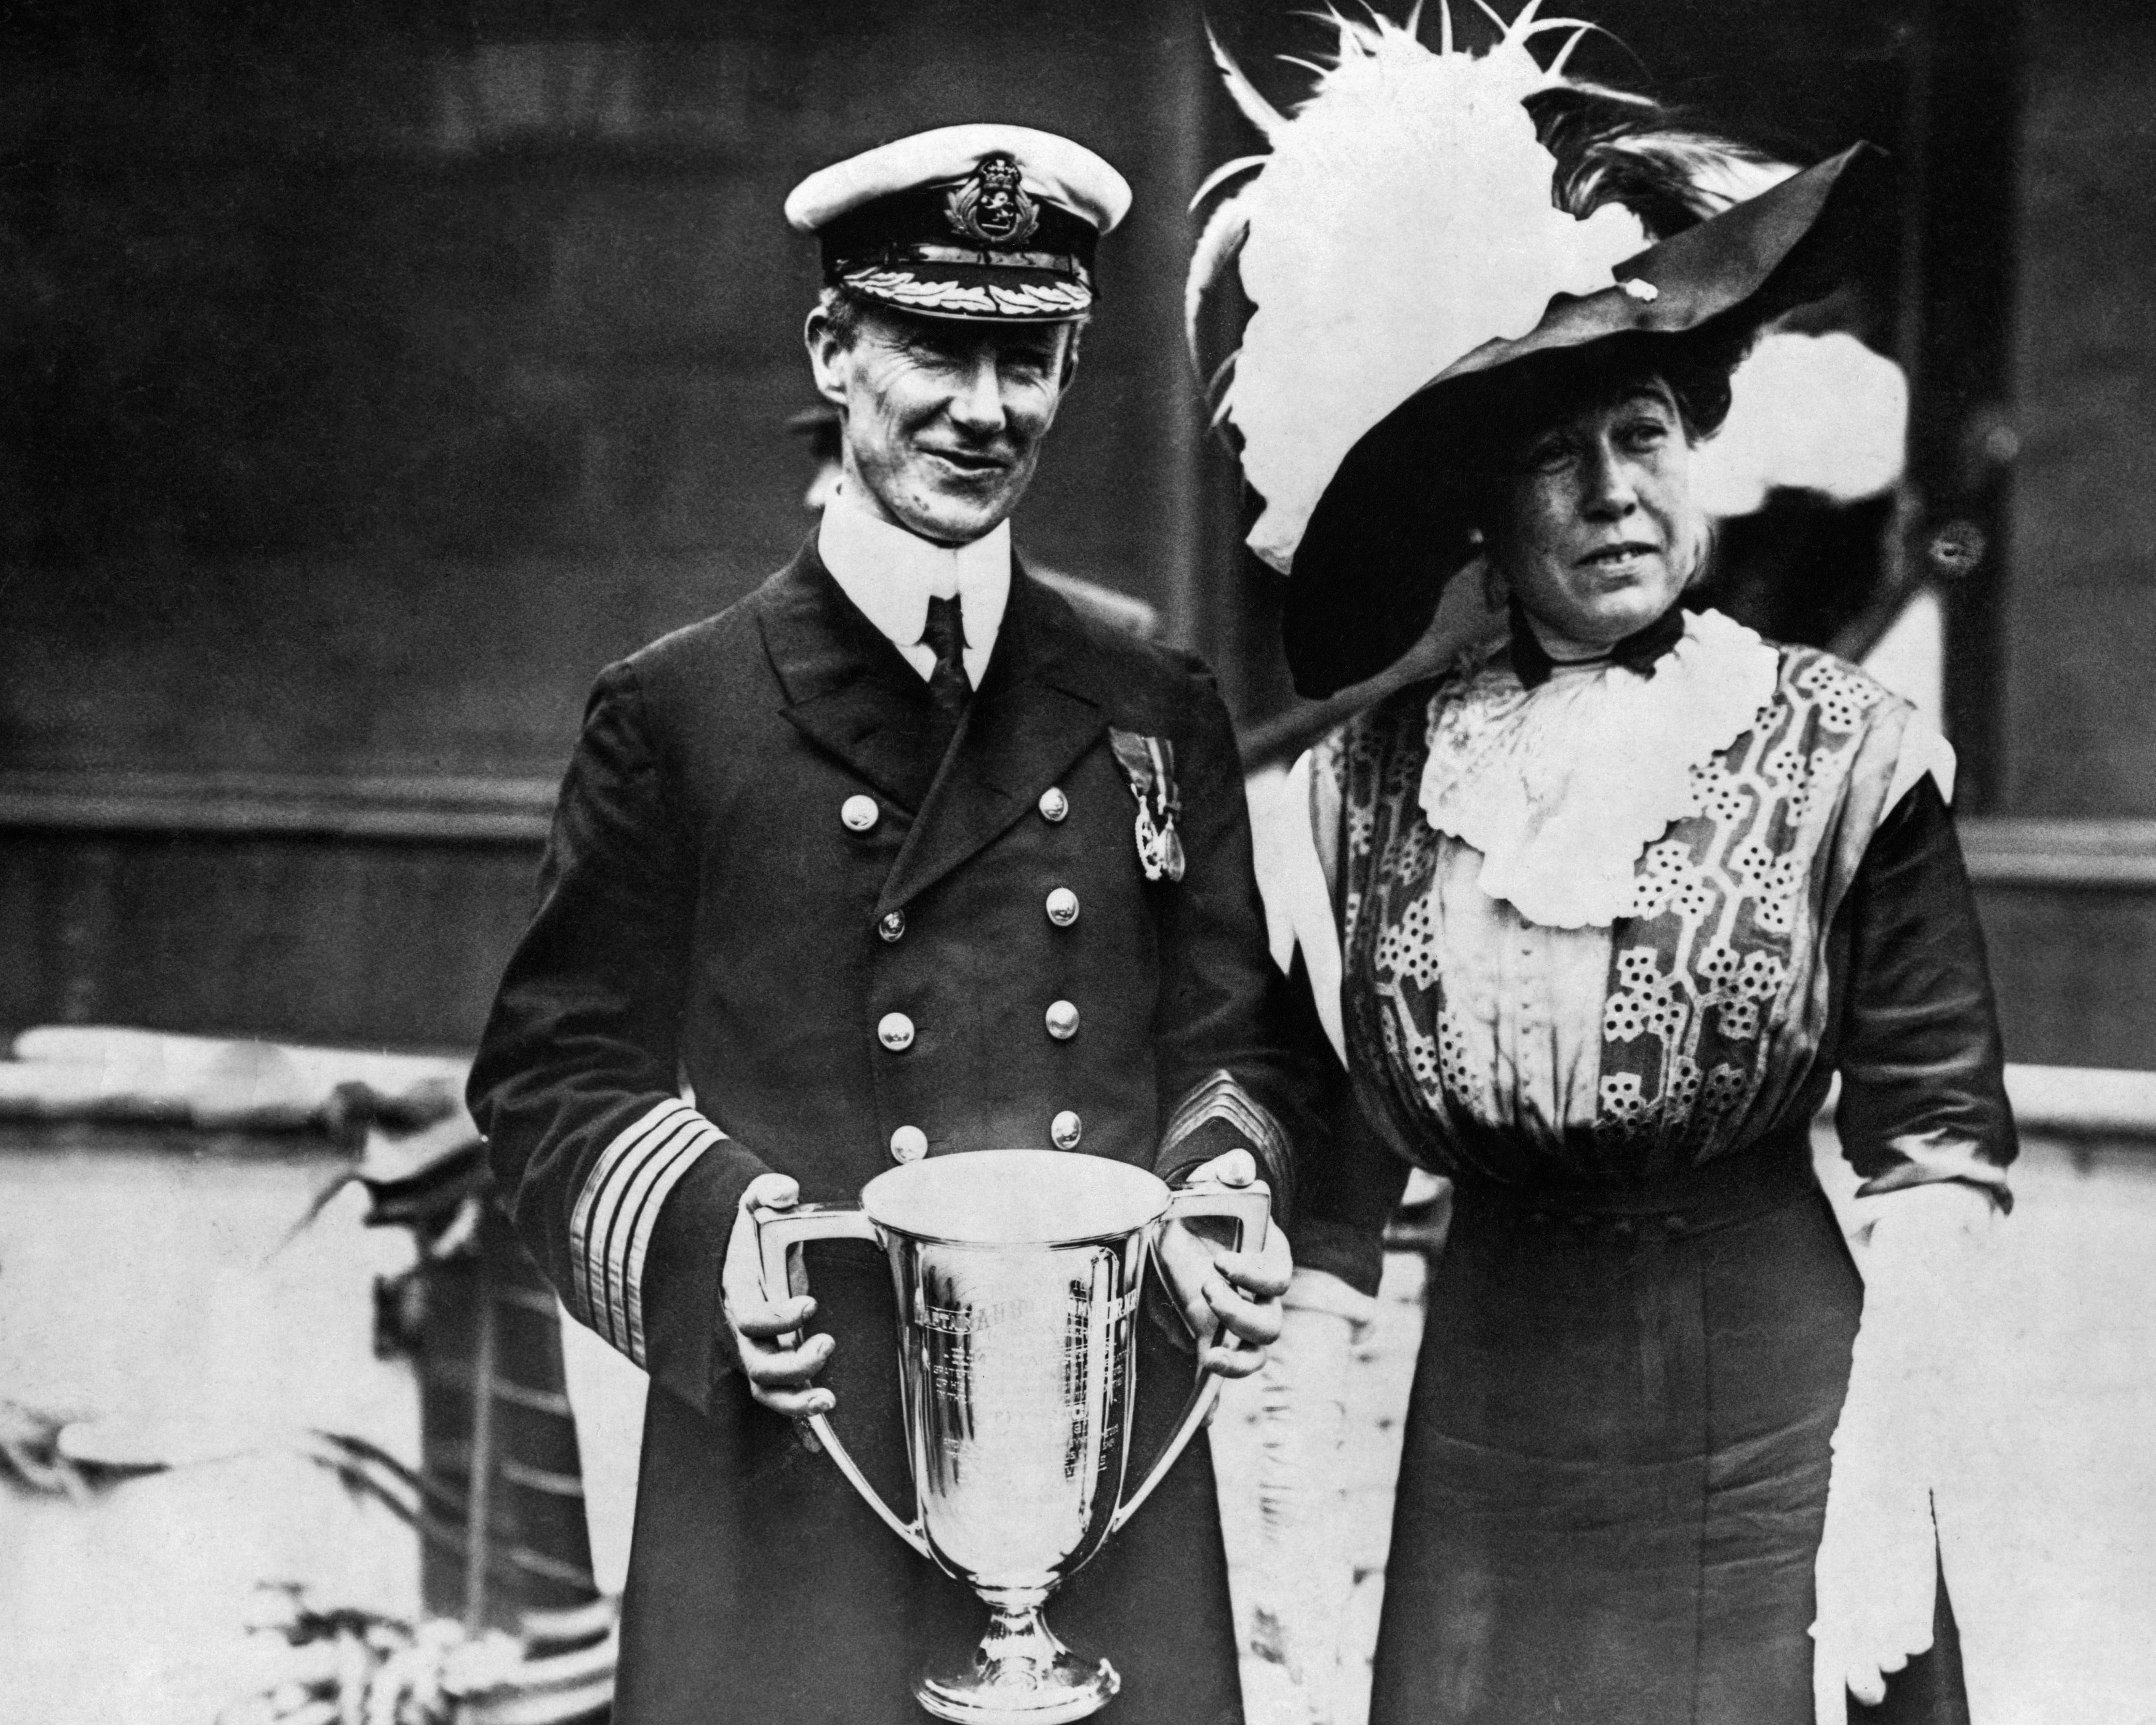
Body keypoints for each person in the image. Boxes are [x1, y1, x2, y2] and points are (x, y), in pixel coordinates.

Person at [1190, 14, 2015, 1725]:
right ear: (1488, 520)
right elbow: (1333, 1210)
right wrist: (1287, 1543)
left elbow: (1936, 1146)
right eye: (1555, 458)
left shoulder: (1844, 753)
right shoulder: (1369, 787)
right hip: (1494, 1435)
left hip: (1782, 1419)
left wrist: (1886, 1480)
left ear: (1697, 451)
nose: (1614, 493)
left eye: (1642, 435)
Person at [471, 124, 1310, 1725]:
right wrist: (719, 1242)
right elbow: (552, 1073)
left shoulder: (1154, 703)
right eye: (934, 346)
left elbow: (1238, 1039)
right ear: (831, 350)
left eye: (1027, 358)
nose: (984, 408)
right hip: (803, 1457)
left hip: (1097, 1445)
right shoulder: (680, 711)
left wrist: (1223, 1189)